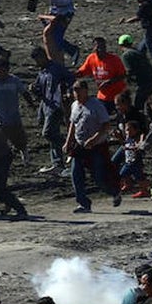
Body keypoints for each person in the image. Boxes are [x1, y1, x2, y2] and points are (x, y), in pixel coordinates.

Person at [64, 80, 121, 214]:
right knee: (76, 173)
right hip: (80, 146)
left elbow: (106, 125)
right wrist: (68, 142)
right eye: (74, 91)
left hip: (96, 146)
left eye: (78, 90)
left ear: (85, 90)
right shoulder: (74, 105)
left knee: (98, 177)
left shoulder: (96, 105)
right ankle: (83, 203)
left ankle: (114, 191)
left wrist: (94, 139)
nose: (76, 93)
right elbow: (73, 124)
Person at [29, 45, 75, 175]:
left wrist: (68, 92)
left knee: (48, 133)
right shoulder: (42, 72)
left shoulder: (56, 68)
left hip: (56, 105)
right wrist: (33, 89)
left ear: (43, 56)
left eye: (37, 59)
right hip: (45, 105)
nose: (37, 63)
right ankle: (58, 161)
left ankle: (66, 152)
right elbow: (40, 89)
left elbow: (71, 78)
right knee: (51, 132)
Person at [74, 37, 127, 112]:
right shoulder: (91, 58)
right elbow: (82, 72)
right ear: (94, 48)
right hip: (102, 96)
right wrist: (69, 75)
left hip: (117, 96)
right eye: (98, 47)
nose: (101, 49)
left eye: (103, 47)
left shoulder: (114, 60)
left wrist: (109, 82)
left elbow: (123, 75)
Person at [118, 33, 152, 111]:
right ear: (131, 43)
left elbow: (129, 71)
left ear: (120, 45)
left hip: (143, 84)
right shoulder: (138, 52)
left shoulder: (126, 55)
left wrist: (124, 80)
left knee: (138, 105)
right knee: (151, 105)